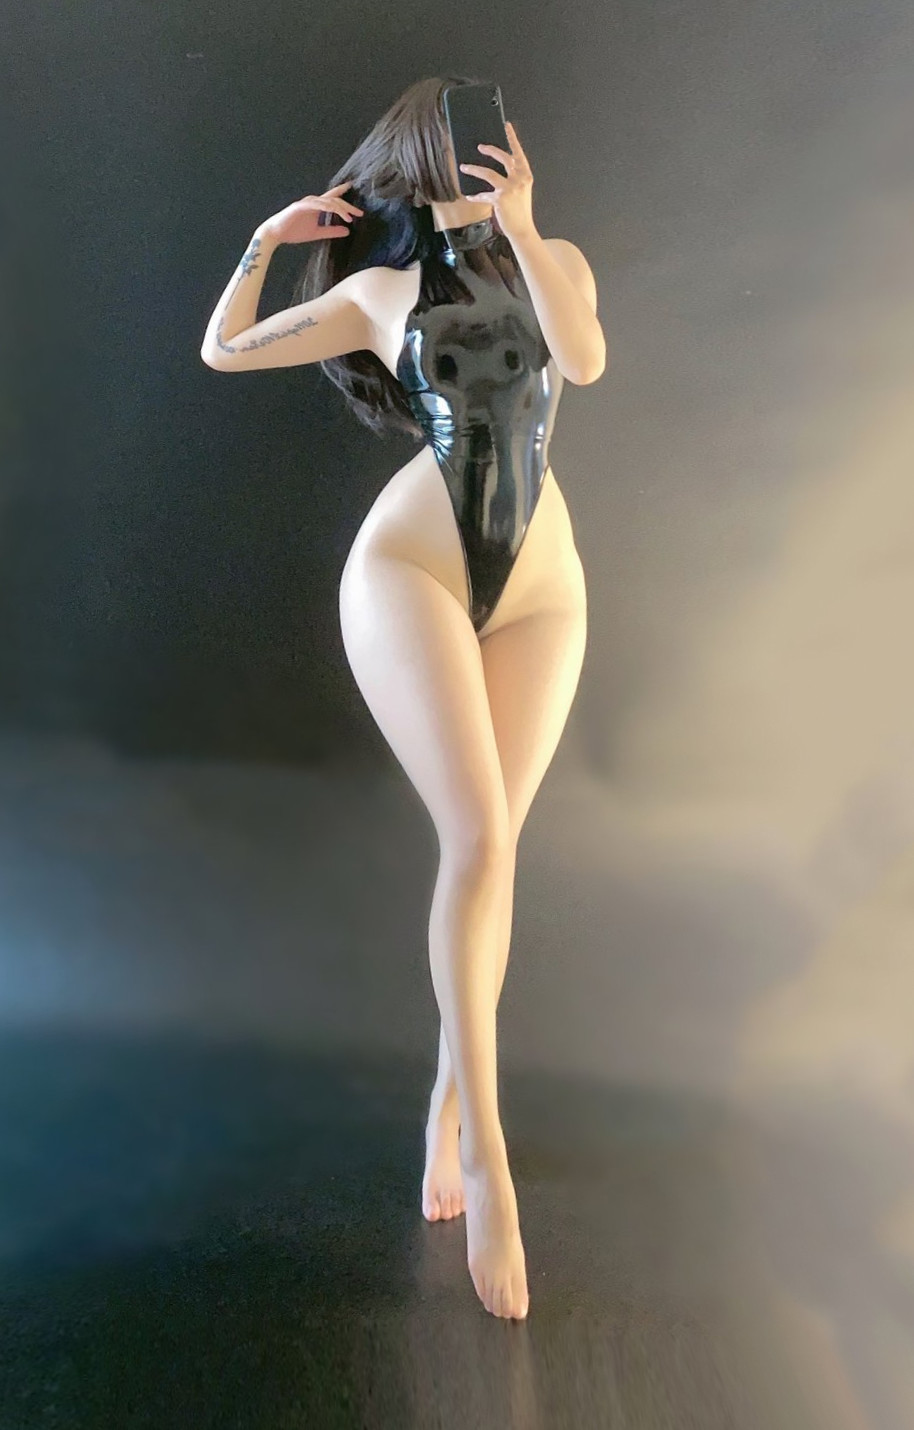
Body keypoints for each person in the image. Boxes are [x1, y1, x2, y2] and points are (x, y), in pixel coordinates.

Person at [200, 75, 606, 1321]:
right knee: (474, 840)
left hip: (540, 587)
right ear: (423, 166)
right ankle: (486, 1159)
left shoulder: (556, 262)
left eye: (500, 139)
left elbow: (583, 361)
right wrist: (267, 241)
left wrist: (524, 230)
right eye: (464, 149)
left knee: (496, 851)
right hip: (413, 568)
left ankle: (447, 1099)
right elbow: (222, 347)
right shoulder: (378, 293)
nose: (487, 160)